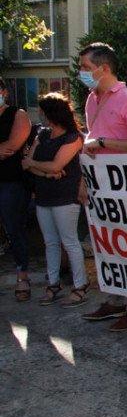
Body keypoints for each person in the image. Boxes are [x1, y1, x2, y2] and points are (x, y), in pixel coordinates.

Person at [77, 42, 127, 331]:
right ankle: (115, 300)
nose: (82, 73)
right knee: (109, 246)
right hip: (101, 187)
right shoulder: (92, 99)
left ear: (104, 68)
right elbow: (90, 143)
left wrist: (105, 144)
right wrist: (85, 181)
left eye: (85, 68)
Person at [21, 92, 88, 308]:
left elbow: (56, 165)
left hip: (66, 197)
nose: (41, 116)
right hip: (44, 195)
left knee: (70, 241)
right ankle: (53, 283)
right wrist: (47, 173)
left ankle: (79, 286)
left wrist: (44, 168)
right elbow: (26, 163)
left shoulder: (73, 138)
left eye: (44, 112)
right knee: (50, 242)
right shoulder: (42, 136)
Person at [0, 77, 33, 302]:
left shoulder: (17, 115)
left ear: (3, 91)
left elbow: (12, 146)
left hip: (10, 182)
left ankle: (23, 276)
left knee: (14, 230)